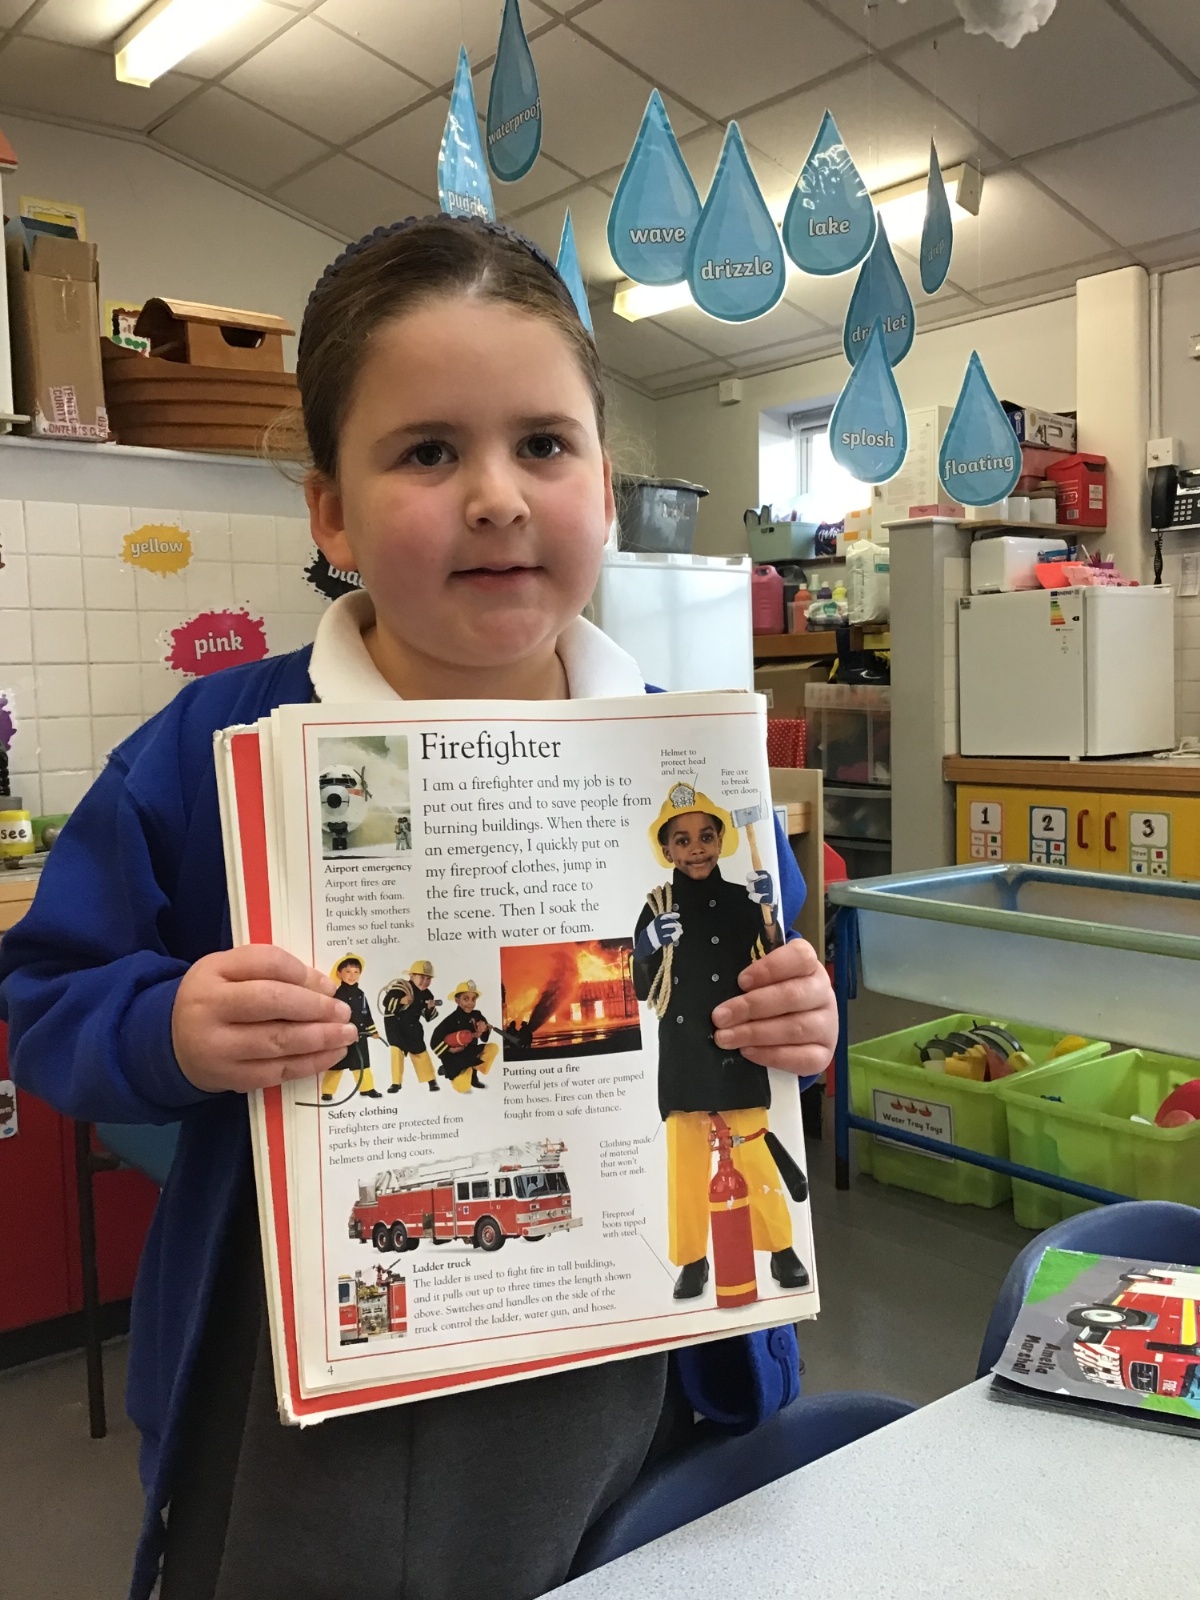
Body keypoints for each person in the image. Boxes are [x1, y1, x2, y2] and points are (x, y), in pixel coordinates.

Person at [0, 215, 838, 1600]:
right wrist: (170, 1027)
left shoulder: (684, 761)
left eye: (544, 444)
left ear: (605, 487)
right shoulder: (214, 749)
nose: (498, 497)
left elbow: (783, 1004)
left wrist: (801, 1027)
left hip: (624, 1377)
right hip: (307, 1405)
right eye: (429, 452)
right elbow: (45, 997)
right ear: (330, 511)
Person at [633, 790, 809, 1302]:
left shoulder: (741, 902)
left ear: (721, 841)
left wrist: (770, 915)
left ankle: (780, 1248)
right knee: (686, 1166)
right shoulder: (656, 908)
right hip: (684, 1051)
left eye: (706, 836)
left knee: (754, 1153)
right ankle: (692, 1260)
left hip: (737, 1051)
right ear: (667, 850)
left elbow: (770, 961)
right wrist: (647, 945)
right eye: (682, 840)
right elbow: (642, 987)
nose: (696, 849)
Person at [320, 954, 380, 1100]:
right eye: (348, 971)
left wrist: (373, 1031)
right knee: (336, 1065)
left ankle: (367, 1088)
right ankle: (327, 1091)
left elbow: (366, 1014)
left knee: (362, 1065)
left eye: (356, 972)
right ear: (339, 973)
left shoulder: (361, 994)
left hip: (360, 1037)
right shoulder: (337, 994)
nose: (352, 976)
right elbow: (333, 1016)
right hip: (342, 1037)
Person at [380, 958, 441, 1092]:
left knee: (420, 1052)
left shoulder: (427, 994)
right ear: (411, 976)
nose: (425, 981)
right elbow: (386, 1001)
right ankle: (396, 1083)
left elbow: (428, 1017)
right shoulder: (401, 986)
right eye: (422, 977)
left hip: (412, 1026)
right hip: (396, 1026)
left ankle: (431, 1081)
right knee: (397, 1052)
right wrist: (401, 1000)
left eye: (428, 978)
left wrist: (430, 1008)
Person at [431, 979, 499, 1092]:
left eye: (473, 999)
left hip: (472, 1052)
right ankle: (448, 1069)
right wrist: (449, 1049)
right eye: (466, 999)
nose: (470, 1003)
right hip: (456, 1059)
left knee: (493, 1048)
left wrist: (484, 1029)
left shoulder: (477, 1015)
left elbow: (484, 1039)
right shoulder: (450, 1020)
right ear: (457, 1000)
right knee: (463, 1088)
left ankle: (474, 1072)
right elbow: (434, 1041)